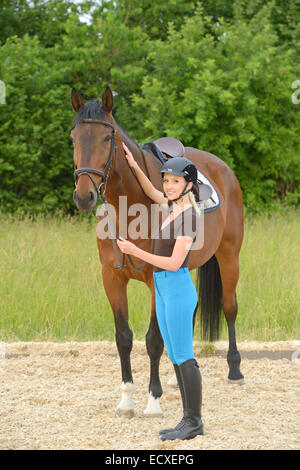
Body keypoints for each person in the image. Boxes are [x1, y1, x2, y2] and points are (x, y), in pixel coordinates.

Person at [116, 142, 204, 441]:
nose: (167, 186)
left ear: (188, 185)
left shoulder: (189, 216)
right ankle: (186, 419)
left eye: (174, 181)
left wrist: (134, 252)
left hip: (177, 287)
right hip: (164, 289)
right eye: (166, 180)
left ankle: (194, 421)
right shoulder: (170, 206)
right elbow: (151, 191)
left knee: (184, 355)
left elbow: (175, 261)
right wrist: (133, 163)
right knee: (175, 356)